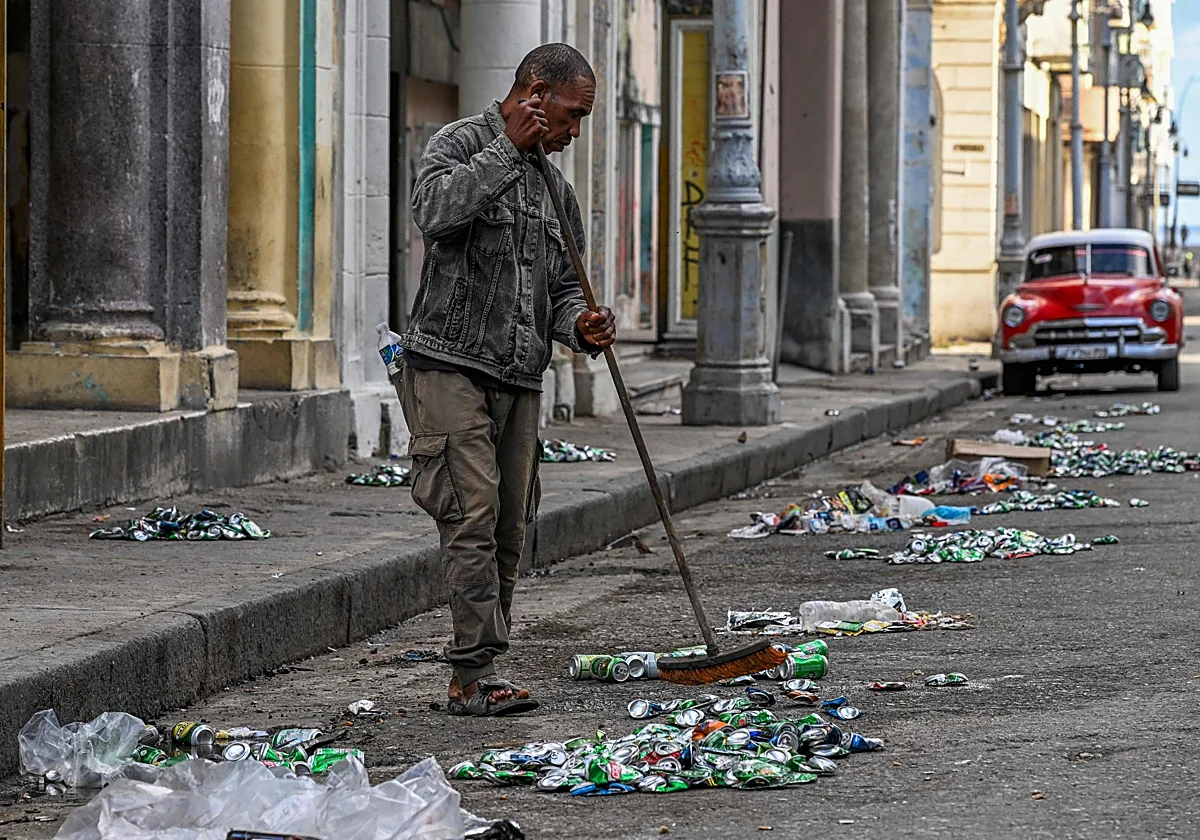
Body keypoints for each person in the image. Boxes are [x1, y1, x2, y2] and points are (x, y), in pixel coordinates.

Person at [400, 43, 616, 716]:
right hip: (448, 365)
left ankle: (483, 663)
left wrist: (581, 323)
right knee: (473, 514)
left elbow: (560, 289)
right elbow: (434, 213)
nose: (574, 131)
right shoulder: (459, 144)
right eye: (571, 115)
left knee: (510, 528)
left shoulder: (558, 191)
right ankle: (474, 674)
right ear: (533, 93)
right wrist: (503, 155)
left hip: (520, 378)